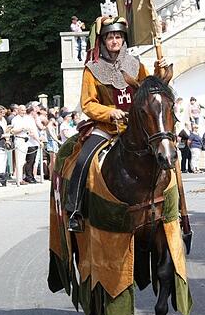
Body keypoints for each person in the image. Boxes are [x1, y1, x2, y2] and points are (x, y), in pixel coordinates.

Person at [64, 15, 169, 232]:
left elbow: (150, 91)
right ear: (103, 41)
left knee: (168, 157)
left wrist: (159, 71)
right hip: (106, 129)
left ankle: (175, 212)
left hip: (137, 130)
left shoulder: (136, 66)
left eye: (118, 36)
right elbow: (87, 104)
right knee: (83, 160)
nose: (114, 41)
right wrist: (110, 113)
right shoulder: (91, 69)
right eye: (110, 37)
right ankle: (75, 209)